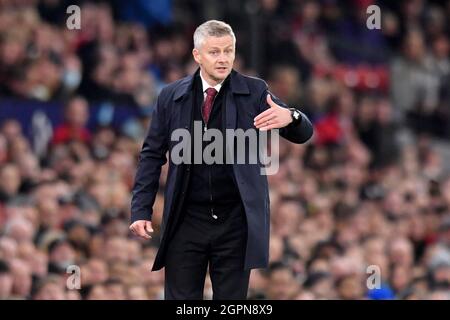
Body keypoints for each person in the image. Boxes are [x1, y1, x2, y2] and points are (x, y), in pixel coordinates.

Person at [129, 20, 313, 300]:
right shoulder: (170, 96)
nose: (224, 58)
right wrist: (141, 209)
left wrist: (292, 116)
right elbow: (152, 155)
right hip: (185, 219)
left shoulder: (254, 91)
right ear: (197, 55)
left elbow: (303, 133)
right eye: (215, 52)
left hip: (236, 222)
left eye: (229, 51)